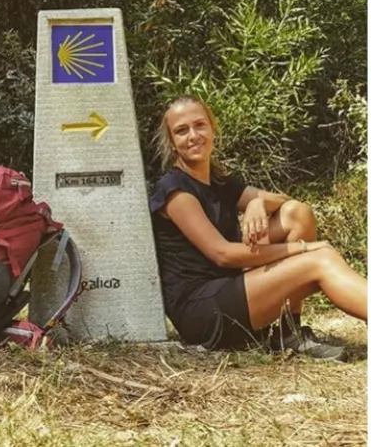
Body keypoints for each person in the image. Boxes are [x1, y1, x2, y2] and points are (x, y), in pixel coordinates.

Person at [148, 94, 367, 360]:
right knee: (319, 260)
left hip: (230, 289)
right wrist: (303, 248)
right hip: (202, 310)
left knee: (297, 213)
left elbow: (288, 203)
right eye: (182, 131)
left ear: (212, 128)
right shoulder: (175, 190)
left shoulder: (219, 183)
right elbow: (223, 255)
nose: (193, 135)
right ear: (172, 142)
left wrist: (257, 204)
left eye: (200, 125)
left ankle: (289, 334)